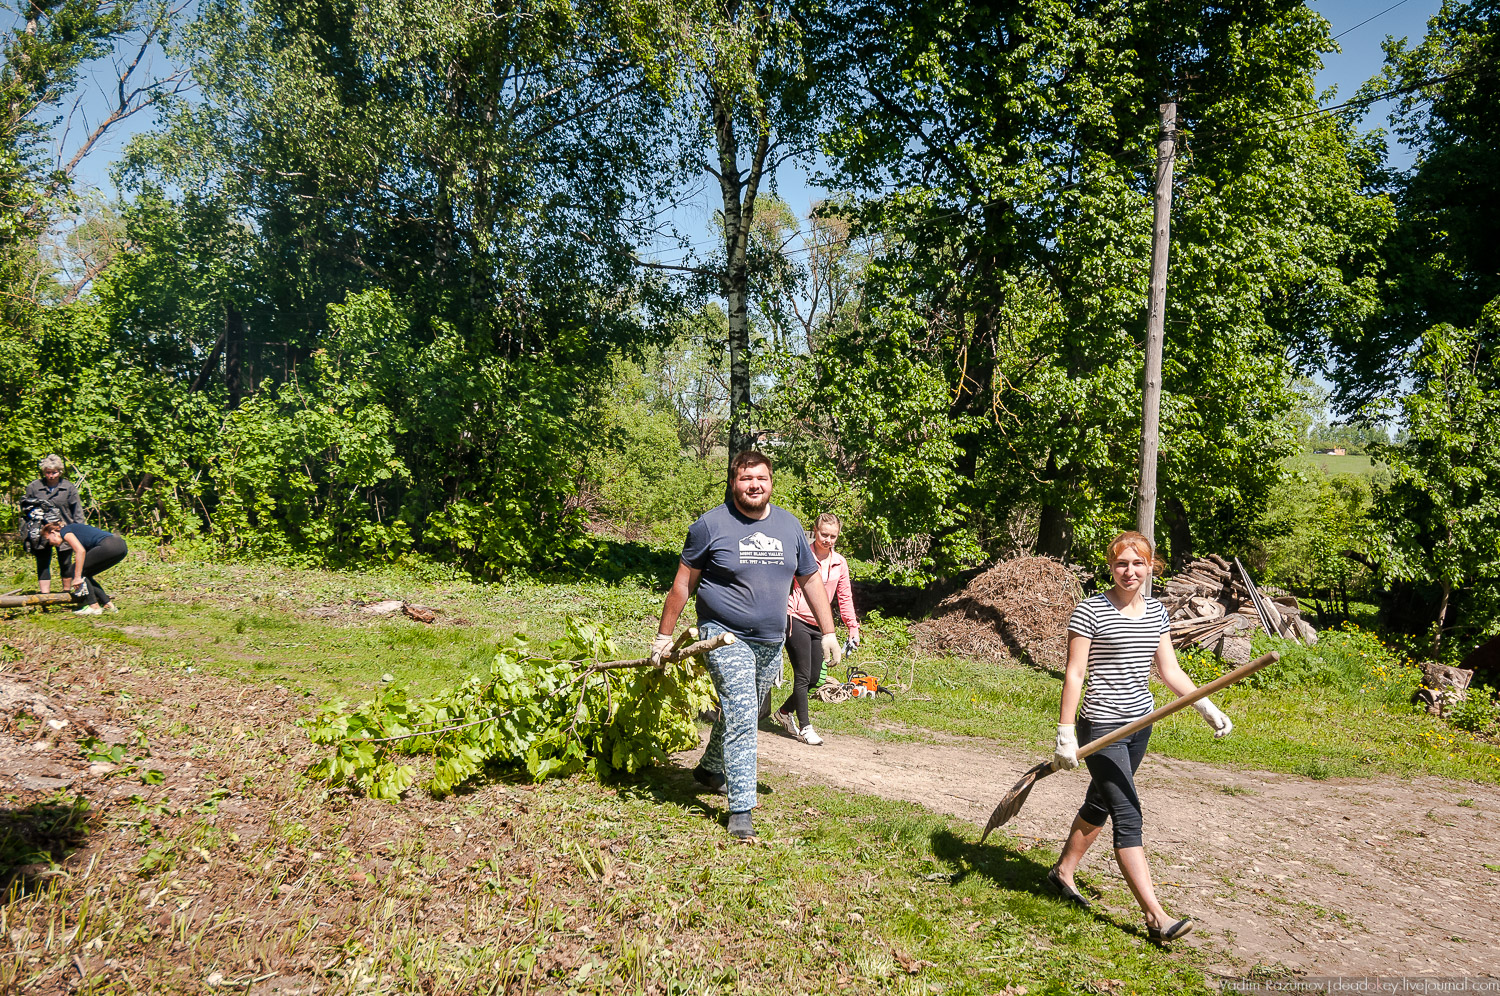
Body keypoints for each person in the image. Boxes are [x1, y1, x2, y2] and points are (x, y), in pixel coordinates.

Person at [1047, 530, 1233, 943]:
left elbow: (1169, 671)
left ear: (1151, 567)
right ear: (1110, 567)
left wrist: (1206, 707)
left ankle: (1062, 872)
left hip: (1139, 725)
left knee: (1101, 800)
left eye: (1137, 563)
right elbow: (1075, 674)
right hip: (1101, 726)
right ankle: (1157, 917)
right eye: (1120, 563)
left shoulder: (1156, 613)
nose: (1129, 571)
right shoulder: (1090, 610)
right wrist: (1065, 732)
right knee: (1128, 815)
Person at [650, 451, 843, 839]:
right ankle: (741, 811)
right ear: (733, 482)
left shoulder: (789, 527)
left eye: (762, 478)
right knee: (741, 712)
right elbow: (683, 584)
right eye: (745, 478)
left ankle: (708, 769)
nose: (754, 485)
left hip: (771, 639)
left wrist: (829, 632)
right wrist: (663, 635)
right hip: (723, 635)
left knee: (745, 713)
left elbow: (810, 583)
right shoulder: (710, 525)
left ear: (771, 483)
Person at [772, 512, 860, 746]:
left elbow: (844, 598)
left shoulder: (840, 563)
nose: (828, 540)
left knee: (815, 679)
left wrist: (852, 627)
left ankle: (783, 712)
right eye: (824, 534)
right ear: (815, 530)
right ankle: (806, 728)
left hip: (821, 625)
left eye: (833, 536)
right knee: (802, 675)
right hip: (795, 618)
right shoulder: (802, 555)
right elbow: (780, 584)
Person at [25, 454, 86, 595]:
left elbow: (77, 511)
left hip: (64, 530)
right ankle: (44, 596)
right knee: (43, 562)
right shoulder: (34, 487)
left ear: (60, 472)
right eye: (48, 472)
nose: (51, 475)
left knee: (65, 562)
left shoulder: (68, 487)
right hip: (41, 531)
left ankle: (66, 593)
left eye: (54, 472)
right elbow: (25, 508)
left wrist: (79, 530)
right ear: (43, 472)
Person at [40, 520, 128, 616]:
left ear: (53, 533)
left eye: (48, 539)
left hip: (109, 545)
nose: (50, 544)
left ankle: (93, 606)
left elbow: (80, 551)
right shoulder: (73, 530)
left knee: (75, 569)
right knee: (86, 573)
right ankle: (108, 604)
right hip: (121, 546)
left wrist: (77, 576)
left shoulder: (65, 531)